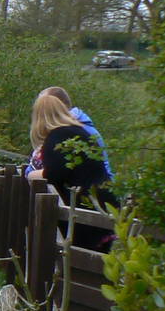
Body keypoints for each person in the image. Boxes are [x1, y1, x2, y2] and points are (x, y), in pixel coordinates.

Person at [28, 90, 113, 248]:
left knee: (86, 258)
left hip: (89, 205)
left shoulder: (57, 137)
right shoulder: (79, 131)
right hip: (102, 201)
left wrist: (31, 174)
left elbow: (54, 173)